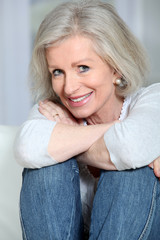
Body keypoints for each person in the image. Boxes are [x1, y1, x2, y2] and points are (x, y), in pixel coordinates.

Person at [14, 1, 160, 239]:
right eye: (57, 72)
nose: (69, 88)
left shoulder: (153, 99)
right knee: (44, 169)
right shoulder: (51, 110)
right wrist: (121, 134)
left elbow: (130, 148)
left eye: (82, 67)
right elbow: (26, 148)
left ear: (116, 68)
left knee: (129, 168)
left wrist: (69, 142)